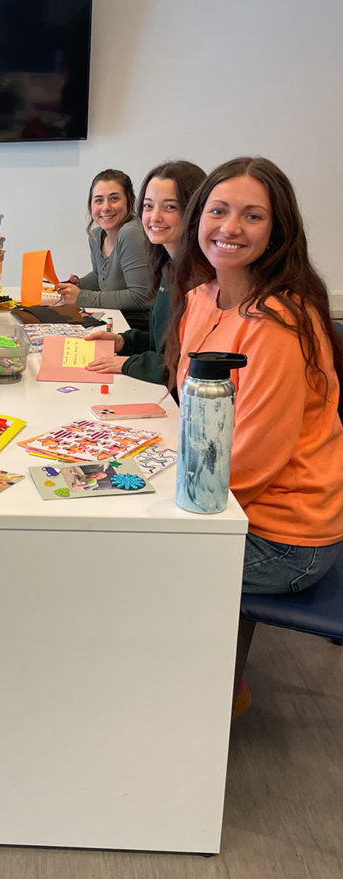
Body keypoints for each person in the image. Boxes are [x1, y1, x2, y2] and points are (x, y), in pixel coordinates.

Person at [166, 156, 343, 595]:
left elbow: (252, 461)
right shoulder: (199, 299)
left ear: (276, 231)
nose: (230, 228)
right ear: (198, 218)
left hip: (282, 538)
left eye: (253, 216)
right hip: (226, 501)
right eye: (218, 211)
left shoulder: (276, 324)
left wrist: (163, 503)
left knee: (122, 556)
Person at [85, 161, 206, 384]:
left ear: (194, 211)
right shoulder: (168, 266)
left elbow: (189, 365)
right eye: (149, 206)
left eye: (170, 207)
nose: (155, 217)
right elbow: (165, 343)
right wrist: (124, 342)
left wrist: (129, 362)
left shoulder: (204, 280)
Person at [56, 169, 151, 329]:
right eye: (99, 200)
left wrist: (81, 297)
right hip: (115, 317)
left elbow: (140, 297)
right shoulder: (96, 235)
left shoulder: (131, 233)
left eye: (114, 198)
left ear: (129, 200)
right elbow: (100, 276)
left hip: (136, 327)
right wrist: (76, 285)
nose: (106, 207)